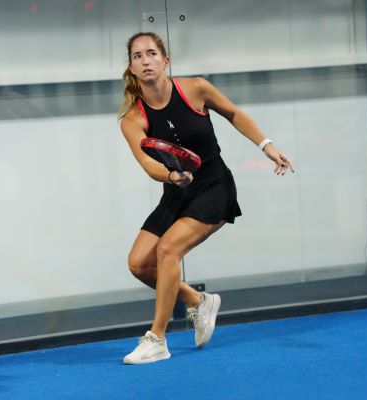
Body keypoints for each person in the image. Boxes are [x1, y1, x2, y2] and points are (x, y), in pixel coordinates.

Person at [119, 32, 294, 364]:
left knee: (167, 249)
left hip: (215, 185)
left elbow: (234, 113)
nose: (146, 61)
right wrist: (172, 176)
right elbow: (147, 163)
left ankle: (157, 339)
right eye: (138, 56)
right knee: (139, 263)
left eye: (152, 53)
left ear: (165, 60)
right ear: (132, 67)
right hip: (176, 190)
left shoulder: (196, 88)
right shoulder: (132, 118)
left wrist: (266, 146)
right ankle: (199, 300)